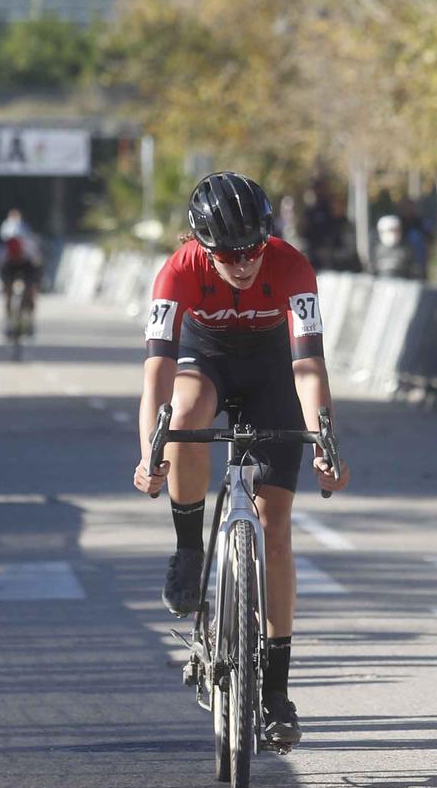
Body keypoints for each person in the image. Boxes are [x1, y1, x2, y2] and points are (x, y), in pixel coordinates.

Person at [132, 173, 350, 748]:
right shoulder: (176, 271)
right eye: (228, 255)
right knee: (185, 414)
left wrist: (325, 441)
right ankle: (187, 546)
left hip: (275, 371)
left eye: (253, 248)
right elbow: (156, 371)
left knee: (275, 531)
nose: (244, 264)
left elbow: (309, 366)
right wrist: (148, 452)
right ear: (201, 245)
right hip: (206, 361)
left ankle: (276, 691)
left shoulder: (291, 266)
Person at [0, 234, 44, 340]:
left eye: (17, 255)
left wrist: (34, 285)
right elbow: (1, 270)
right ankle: (9, 322)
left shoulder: (30, 249)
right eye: (14, 255)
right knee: (8, 294)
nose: (16, 257)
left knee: (29, 292)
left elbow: (38, 268)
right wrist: (6, 286)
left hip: (28, 266)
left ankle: (29, 320)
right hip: (9, 267)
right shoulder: (3, 252)